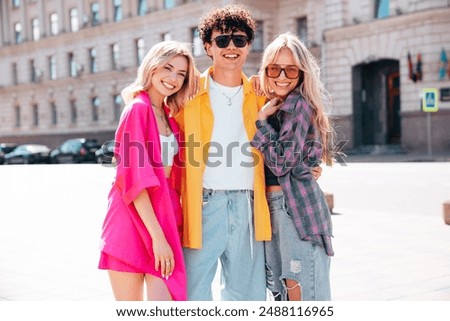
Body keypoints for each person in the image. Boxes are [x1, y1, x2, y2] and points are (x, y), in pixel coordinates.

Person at [174, 4, 271, 301]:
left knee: (248, 297)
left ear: (249, 45)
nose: (231, 47)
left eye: (239, 40)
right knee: (192, 295)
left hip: (247, 205)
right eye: (222, 40)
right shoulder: (187, 93)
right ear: (208, 46)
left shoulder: (260, 92)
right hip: (203, 204)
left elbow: (298, 118)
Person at [98, 40, 196, 301]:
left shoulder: (169, 115)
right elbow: (134, 180)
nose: (173, 78)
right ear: (152, 67)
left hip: (163, 215)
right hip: (131, 218)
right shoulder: (137, 110)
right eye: (168, 68)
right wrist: (158, 239)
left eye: (181, 74)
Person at [250, 32, 335, 301]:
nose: (283, 76)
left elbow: (282, 160)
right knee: (285, 291)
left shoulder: (297, 105)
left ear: (301, 73)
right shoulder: (277, 103)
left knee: (297, 291)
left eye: (291, 70)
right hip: (275, 206)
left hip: (293, 207)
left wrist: (261, 122)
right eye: (275, 68)